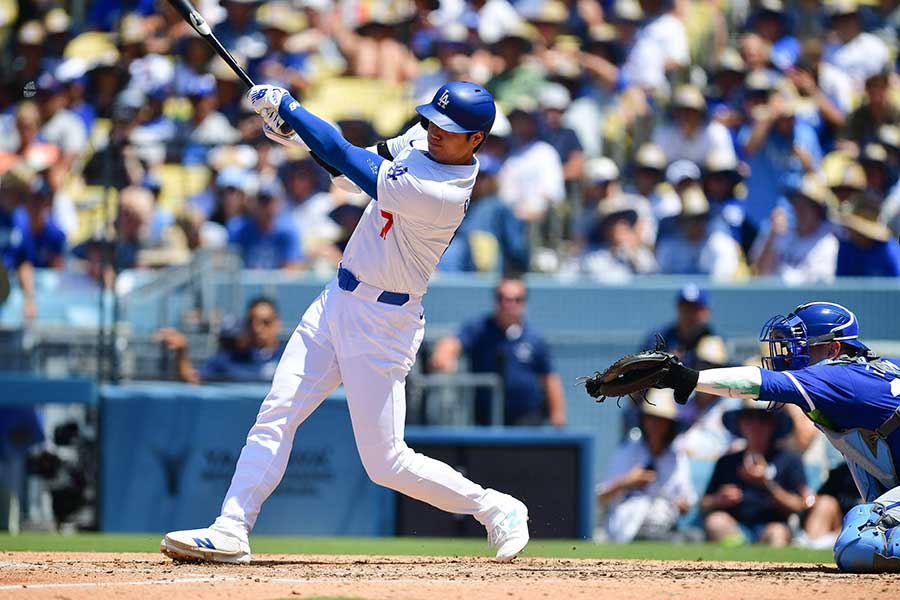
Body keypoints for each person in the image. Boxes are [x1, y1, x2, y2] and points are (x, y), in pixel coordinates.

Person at [161, 81, 530, 563]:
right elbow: (346, 166)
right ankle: (231, 527)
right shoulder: (421, 141)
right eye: (433, 120)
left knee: (386, 463)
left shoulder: (441, 192)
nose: (435, 131)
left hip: (384, 321)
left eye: (450, 129)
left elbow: (353, 163)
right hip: (337, 297)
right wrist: (296, 137)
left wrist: (291, 110)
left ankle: (495, 507)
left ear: (476, 140)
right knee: (278, 410)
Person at [634, 301, 900, 571]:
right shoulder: (876, 370)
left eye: (800, 346)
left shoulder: (838, 376)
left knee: (859, 542)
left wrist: (688, 377)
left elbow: (761, 382)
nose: (787, 356)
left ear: (833, 350)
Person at [429, 276, 566, 427]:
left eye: (516, 299)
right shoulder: (480, 329)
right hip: (487, 418)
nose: (509, 304)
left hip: (527, 419)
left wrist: (557, 413)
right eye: (503, 298)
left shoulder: (535, 339)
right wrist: (444, 356)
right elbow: (452, 343)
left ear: (524, 303)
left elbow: (549, 377)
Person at [597, 389, 696, 543]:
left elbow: (686, 501)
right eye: (652, 419)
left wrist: (681, 505)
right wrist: (628, 481)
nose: (656, 425)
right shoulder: (627, 451)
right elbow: (602, 496)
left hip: (665, 525)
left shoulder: (677, 458)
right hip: (628, 525)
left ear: (670, 425)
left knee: (694, 537)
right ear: (643, 421)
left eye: (662, 420)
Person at [155, 297, 285, 384]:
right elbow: (193, 378)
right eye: (252, 321)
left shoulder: (290, 356)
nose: (257, 328)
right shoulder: (230, 357)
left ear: (277, 324)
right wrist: (181, 351)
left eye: (266, 322)